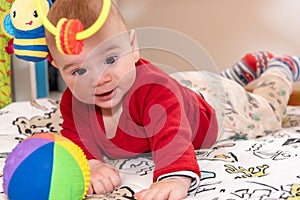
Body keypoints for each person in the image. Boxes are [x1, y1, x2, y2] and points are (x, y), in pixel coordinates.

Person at [45, 1, 300, 199]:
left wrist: (173, 176)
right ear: (57, 67)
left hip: (216, 110)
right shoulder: (74, 102)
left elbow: (171, 132)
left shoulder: (154, 90)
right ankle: (237, 73)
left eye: (110, 59)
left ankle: (280, 69)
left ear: (133, 46)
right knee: (207, 83)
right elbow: (75, 136)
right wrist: (91, 164)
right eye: (79, 71)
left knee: (266, 114)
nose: (99, 79)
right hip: (185, 86)